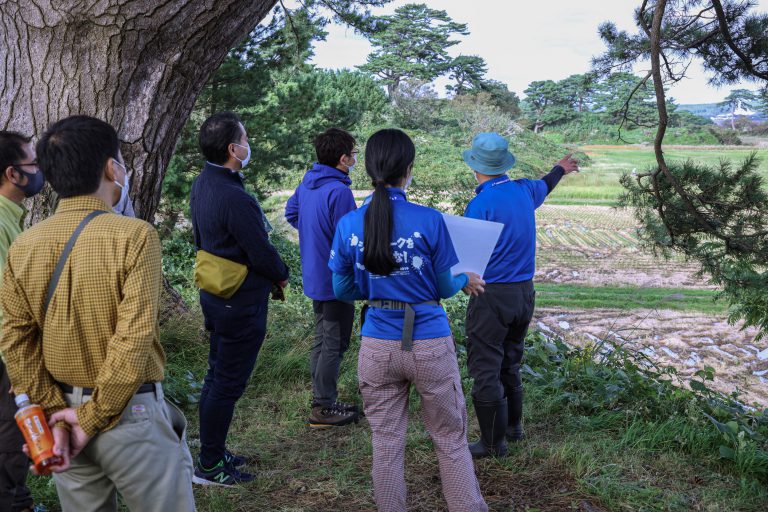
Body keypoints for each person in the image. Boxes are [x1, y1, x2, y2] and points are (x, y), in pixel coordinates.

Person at [0, 115, 196, 511]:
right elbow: (134, 336)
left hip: (59, 419)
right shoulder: (135, 235)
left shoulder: (25, 245)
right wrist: (93, 417)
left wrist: (57, 414)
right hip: (129, 413)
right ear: (111, 167)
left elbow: (15, 341)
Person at [329, 128, 488, 512]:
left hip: (377, 344)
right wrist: (464, 279)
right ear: (409, 169)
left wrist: (377, 286)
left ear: (368, 168)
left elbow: (342, 288)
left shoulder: (350, 224)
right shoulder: (430, 220)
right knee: (450, 438)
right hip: (429, 341)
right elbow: (442, 286)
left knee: (385, 441)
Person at [462, 132, 578, 458]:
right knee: (510, 361)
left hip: (492, 294)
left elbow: (467, 261)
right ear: (503, 165)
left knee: (485, 365)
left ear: (475, 166)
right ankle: (513, 428)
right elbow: (546, 184)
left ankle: (491, 443)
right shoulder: (524, 190)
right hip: (525, 293)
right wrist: (560, 168)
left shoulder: (481, 203)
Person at [190, 112, 289, 486]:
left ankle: (213, 451)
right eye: (246, 139)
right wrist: (282, 273)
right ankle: (211, 466)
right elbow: (260, 252)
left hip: (216, 294)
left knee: (217, 377)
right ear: (234, 149)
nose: (250, 146)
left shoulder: (203, 183)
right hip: (239, 300)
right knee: (227, 383)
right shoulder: (235, 196)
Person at [285, 128, 360, 429]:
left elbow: (292, 213)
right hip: (335, 280)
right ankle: (323, 406)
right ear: (343, 159)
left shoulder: (308, 184)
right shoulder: (339, 191)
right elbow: (350, 238)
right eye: (353, 155)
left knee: (323, 337)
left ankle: (322, 400)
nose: (355, 159)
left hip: (315, 275)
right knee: (334, 342)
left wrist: (312, 234)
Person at [0, 131, 45, 512]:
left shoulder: (11, 217)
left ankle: (21, 500)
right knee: (10, 431)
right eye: (34, 163)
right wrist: (18, 358)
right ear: (13, 174)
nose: (40, 170)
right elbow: (4, 301)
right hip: (4, 347)